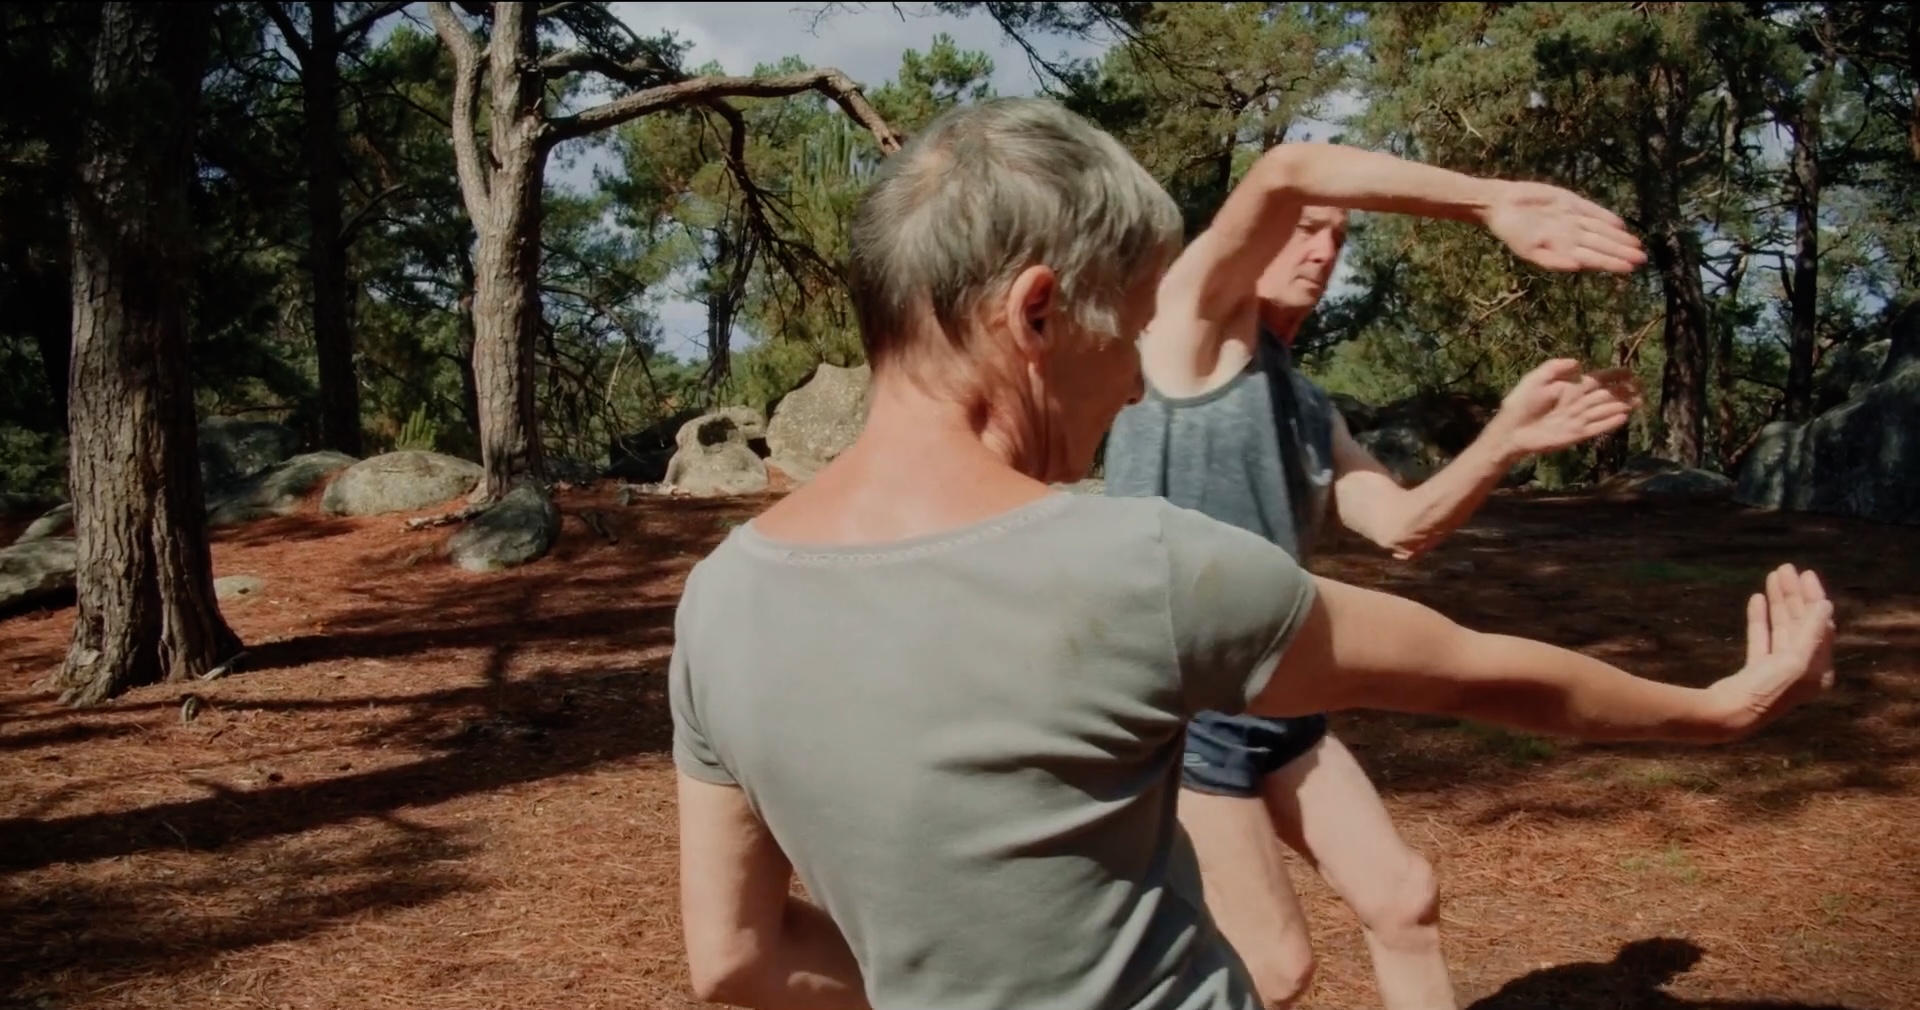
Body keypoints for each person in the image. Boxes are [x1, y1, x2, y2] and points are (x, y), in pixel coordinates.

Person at [668, 97, 1836, 1010]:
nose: (1133, 377)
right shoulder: (1141, 567)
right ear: (1035, 315)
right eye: (1125, 328)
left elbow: (734, 959)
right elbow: (1480, 669)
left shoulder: (717, 603)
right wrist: (1718, 709)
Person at [1106, 194, 1642, 1010]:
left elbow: (1401, 525)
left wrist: (1505, 439)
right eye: (1303, 229)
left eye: (1338, 236)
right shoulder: (1185, 340)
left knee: (1402, 899)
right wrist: (1488, 202)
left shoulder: (1311, 405)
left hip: (1281, 701)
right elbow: (1284, 171)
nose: (1322, 251)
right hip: (1188, 714)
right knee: (1274, 966)